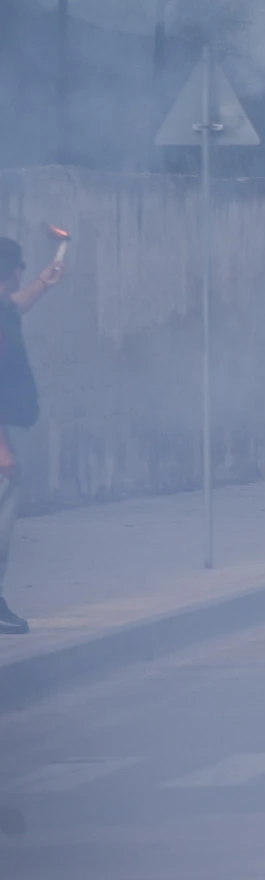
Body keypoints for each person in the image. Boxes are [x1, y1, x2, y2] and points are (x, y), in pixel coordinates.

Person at [0, 236, 62, 634]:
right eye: (17, 266)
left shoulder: (5, 307)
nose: (22, 272)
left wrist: (44, 282)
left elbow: (19, 303)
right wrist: (3, 451)